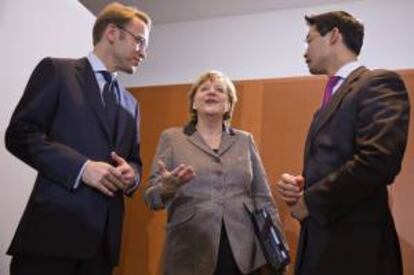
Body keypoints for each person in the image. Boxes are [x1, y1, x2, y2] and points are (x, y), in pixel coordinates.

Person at [5, 3, 151, 275]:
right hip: (51, 238)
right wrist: (82, 168)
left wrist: (133, 176)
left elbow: (134, 160)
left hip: (102, 247)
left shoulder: (133, 105)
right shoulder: (57, 72)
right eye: (140, 41)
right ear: (111, 33)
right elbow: (20, 134)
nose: (144, 52)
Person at [276, 11, 410, 275]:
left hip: (356, 251)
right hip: (323, 245)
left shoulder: (379, 83)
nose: (305, 51)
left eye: (310, 40)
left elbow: (378, 160)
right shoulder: (330, 98)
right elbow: (338, 162)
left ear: (334, 35)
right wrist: (304, 185)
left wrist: (312, 201)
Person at [144, 70, 287, 275]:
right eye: (204, 89)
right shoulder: (172, 138)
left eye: (220, 90)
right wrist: (167, 188)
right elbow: (151, 199)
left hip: (242, 251)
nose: (211, 92)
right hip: (190, 248)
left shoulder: (245, 140)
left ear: (228, 105)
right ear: (194, 103)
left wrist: (279, 248)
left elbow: (262, 197)